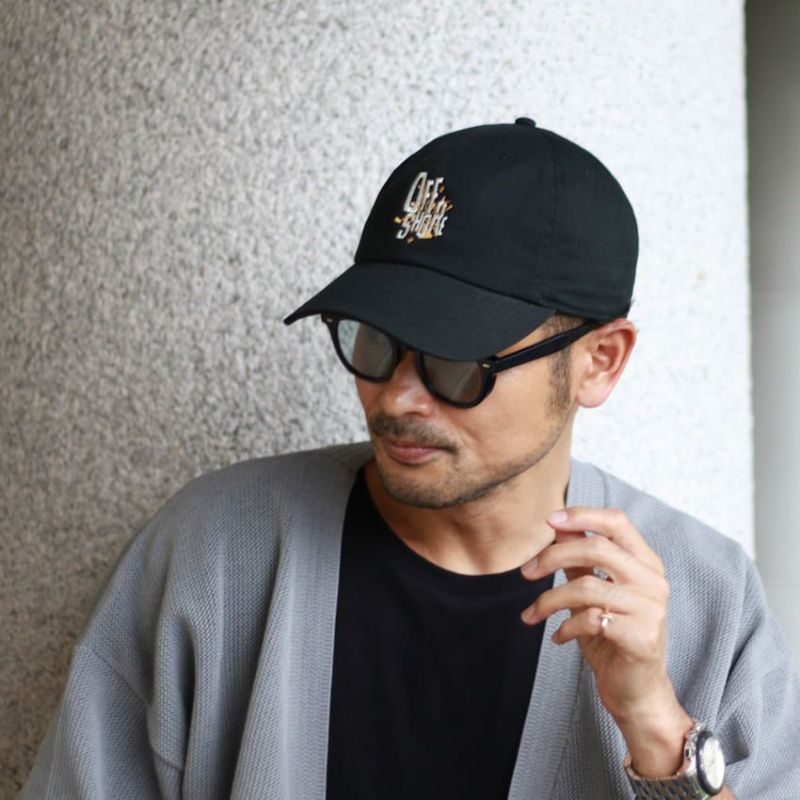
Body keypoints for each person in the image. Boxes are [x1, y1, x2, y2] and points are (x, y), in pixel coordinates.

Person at [20, 119, 800, 800]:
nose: (396, 396)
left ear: (599, 361)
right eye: (375, 340)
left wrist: (657, 727)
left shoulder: (705, 599)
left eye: (455, 361)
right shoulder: (220, 550)